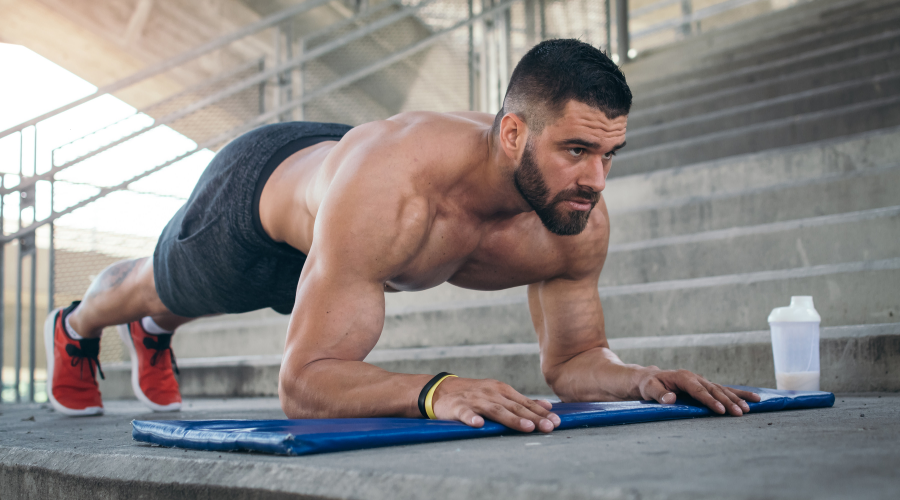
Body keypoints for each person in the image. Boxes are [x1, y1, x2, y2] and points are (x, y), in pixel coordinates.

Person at [45, 39, 760, 429]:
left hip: (346, 189)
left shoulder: (575, 220)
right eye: (577, 151)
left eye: (610, 156)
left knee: (185, 300)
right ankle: (77, 327)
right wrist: (434, 389)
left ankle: (155, 331)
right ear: (513, 134)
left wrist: (640, 380)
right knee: (158, 288)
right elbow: (304, 383)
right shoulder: (394, 193)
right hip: (261, 198)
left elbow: (573, 363)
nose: (597, 181)